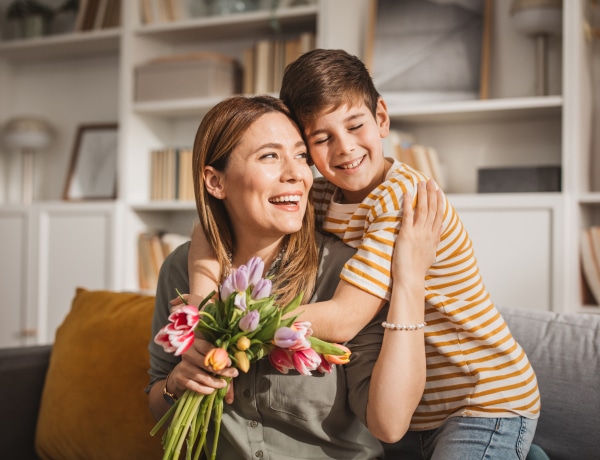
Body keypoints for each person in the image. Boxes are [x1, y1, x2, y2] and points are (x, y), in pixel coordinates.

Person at [187, 49, 541, 459]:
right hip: (414, 407)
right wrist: (201, 304)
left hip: (481, 399)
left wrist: (235, 326)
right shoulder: (319, 195)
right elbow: (209, 227)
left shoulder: (401, 198)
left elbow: (345, 318)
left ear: (382, 118)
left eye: (356, 126)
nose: (345, 149)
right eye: (321, 139)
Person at [147, 95, 444, 458]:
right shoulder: (182, 268)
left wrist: (410, 279)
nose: (296, 174)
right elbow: (158, 395)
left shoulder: (344, 273)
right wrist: (176, 385)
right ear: (215, 181)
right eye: (270, 156)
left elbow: (390, 423)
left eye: (302, 156)